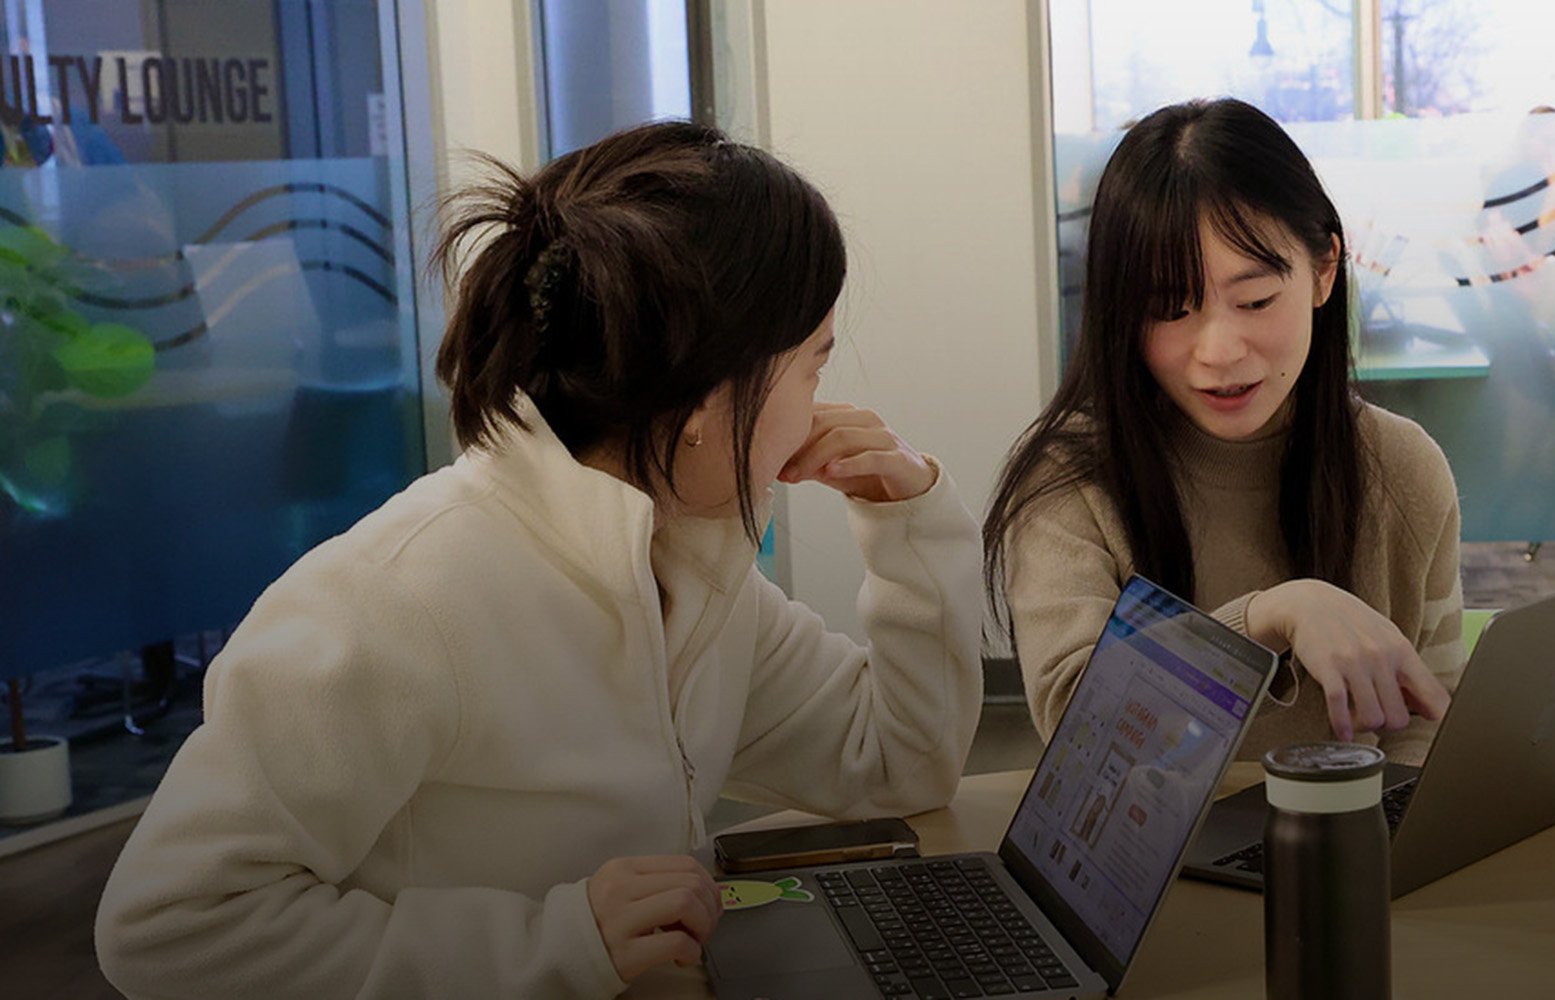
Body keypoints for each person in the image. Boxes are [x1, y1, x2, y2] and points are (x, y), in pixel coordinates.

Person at [95, 121, 983, 998]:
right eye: (813, 371)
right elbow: (169, 925)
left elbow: (897, 763)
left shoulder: (690, 565)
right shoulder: (393, 601)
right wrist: (552, 942)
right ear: (710, 397)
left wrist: (907, 524)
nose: (823, 409)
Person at [986, 98, 1464, 766]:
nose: (1218, 349)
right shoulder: (1069, 478)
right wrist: (1268, 617)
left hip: (1350, 850)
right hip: (1153, 868)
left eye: (1256, 301)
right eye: (1169, 309)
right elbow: (1082, 732)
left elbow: (1427, 721)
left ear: (1324, 270)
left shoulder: (1400, 464)